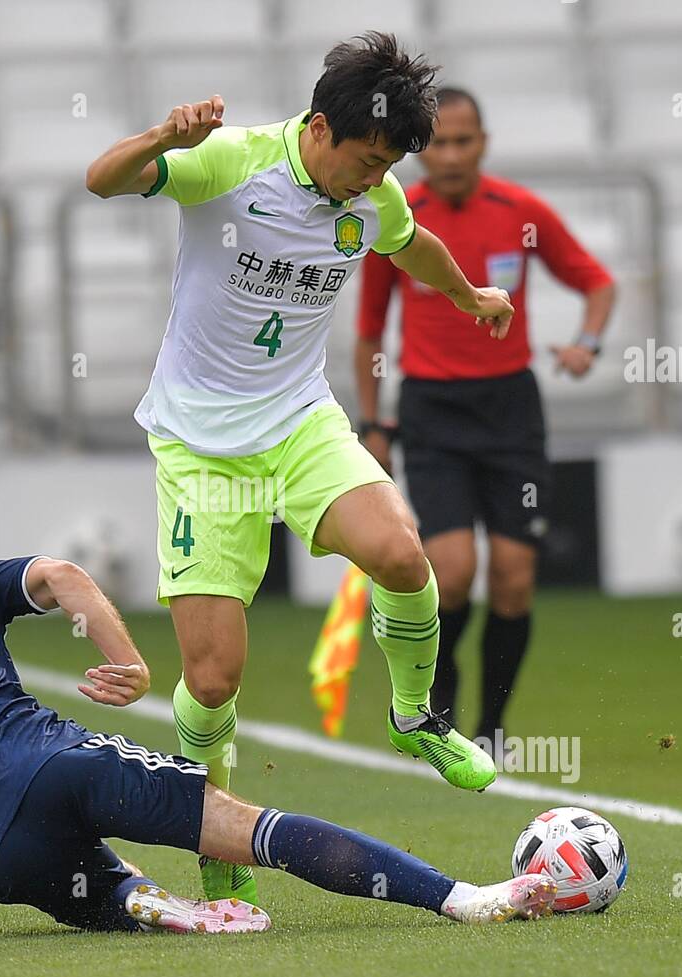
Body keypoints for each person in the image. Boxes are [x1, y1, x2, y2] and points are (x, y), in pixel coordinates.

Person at [83, 32, 513, 906]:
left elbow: (410, 241)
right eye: (364, 160)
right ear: (319, 127)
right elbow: (101, 179)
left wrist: (468, 295)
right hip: (202, 446)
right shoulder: (230, 162)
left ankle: (415, 717)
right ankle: (212, 820)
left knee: (401, 553)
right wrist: (165, 139)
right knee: (211, 680)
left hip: (300, 424)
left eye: (386, 164)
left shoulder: (373, 191)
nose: (372, 178)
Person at [0, 486, 558, 937]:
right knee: (251, 825)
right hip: (55, 765)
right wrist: (123, 655)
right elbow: (59, 574)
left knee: (89, 885)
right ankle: (460, 898)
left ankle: (142, 900)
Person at [356, 87, 616, 749]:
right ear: (421, 149)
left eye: (462, 141)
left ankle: (493, 723)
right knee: (454, 569)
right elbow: (369, 330)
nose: (448, 155)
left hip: (510, 408)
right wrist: (372, 422)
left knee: (514, 576)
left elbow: (597, 281)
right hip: (432, 411)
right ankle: (437, 693)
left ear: (483, 144)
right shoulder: (397, 213)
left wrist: (587, 344)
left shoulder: (521, 212)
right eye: (436, 142)